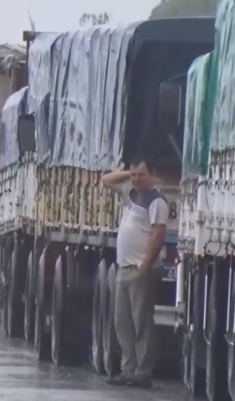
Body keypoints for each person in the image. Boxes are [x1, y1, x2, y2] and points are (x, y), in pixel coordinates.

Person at [101, 157, 168, 389]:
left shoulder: (156, 201)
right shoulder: (130, 193)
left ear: (152, 174)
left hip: (140, 271)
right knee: (123, 324)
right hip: (123, 269)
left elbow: (157, 236)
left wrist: (145, 266)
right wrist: (128, 174)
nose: (137, 179)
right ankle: (127, 370)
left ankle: (142, 373)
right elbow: (106, 180)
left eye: (141, 174)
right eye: (134, 175)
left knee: (142, 323)